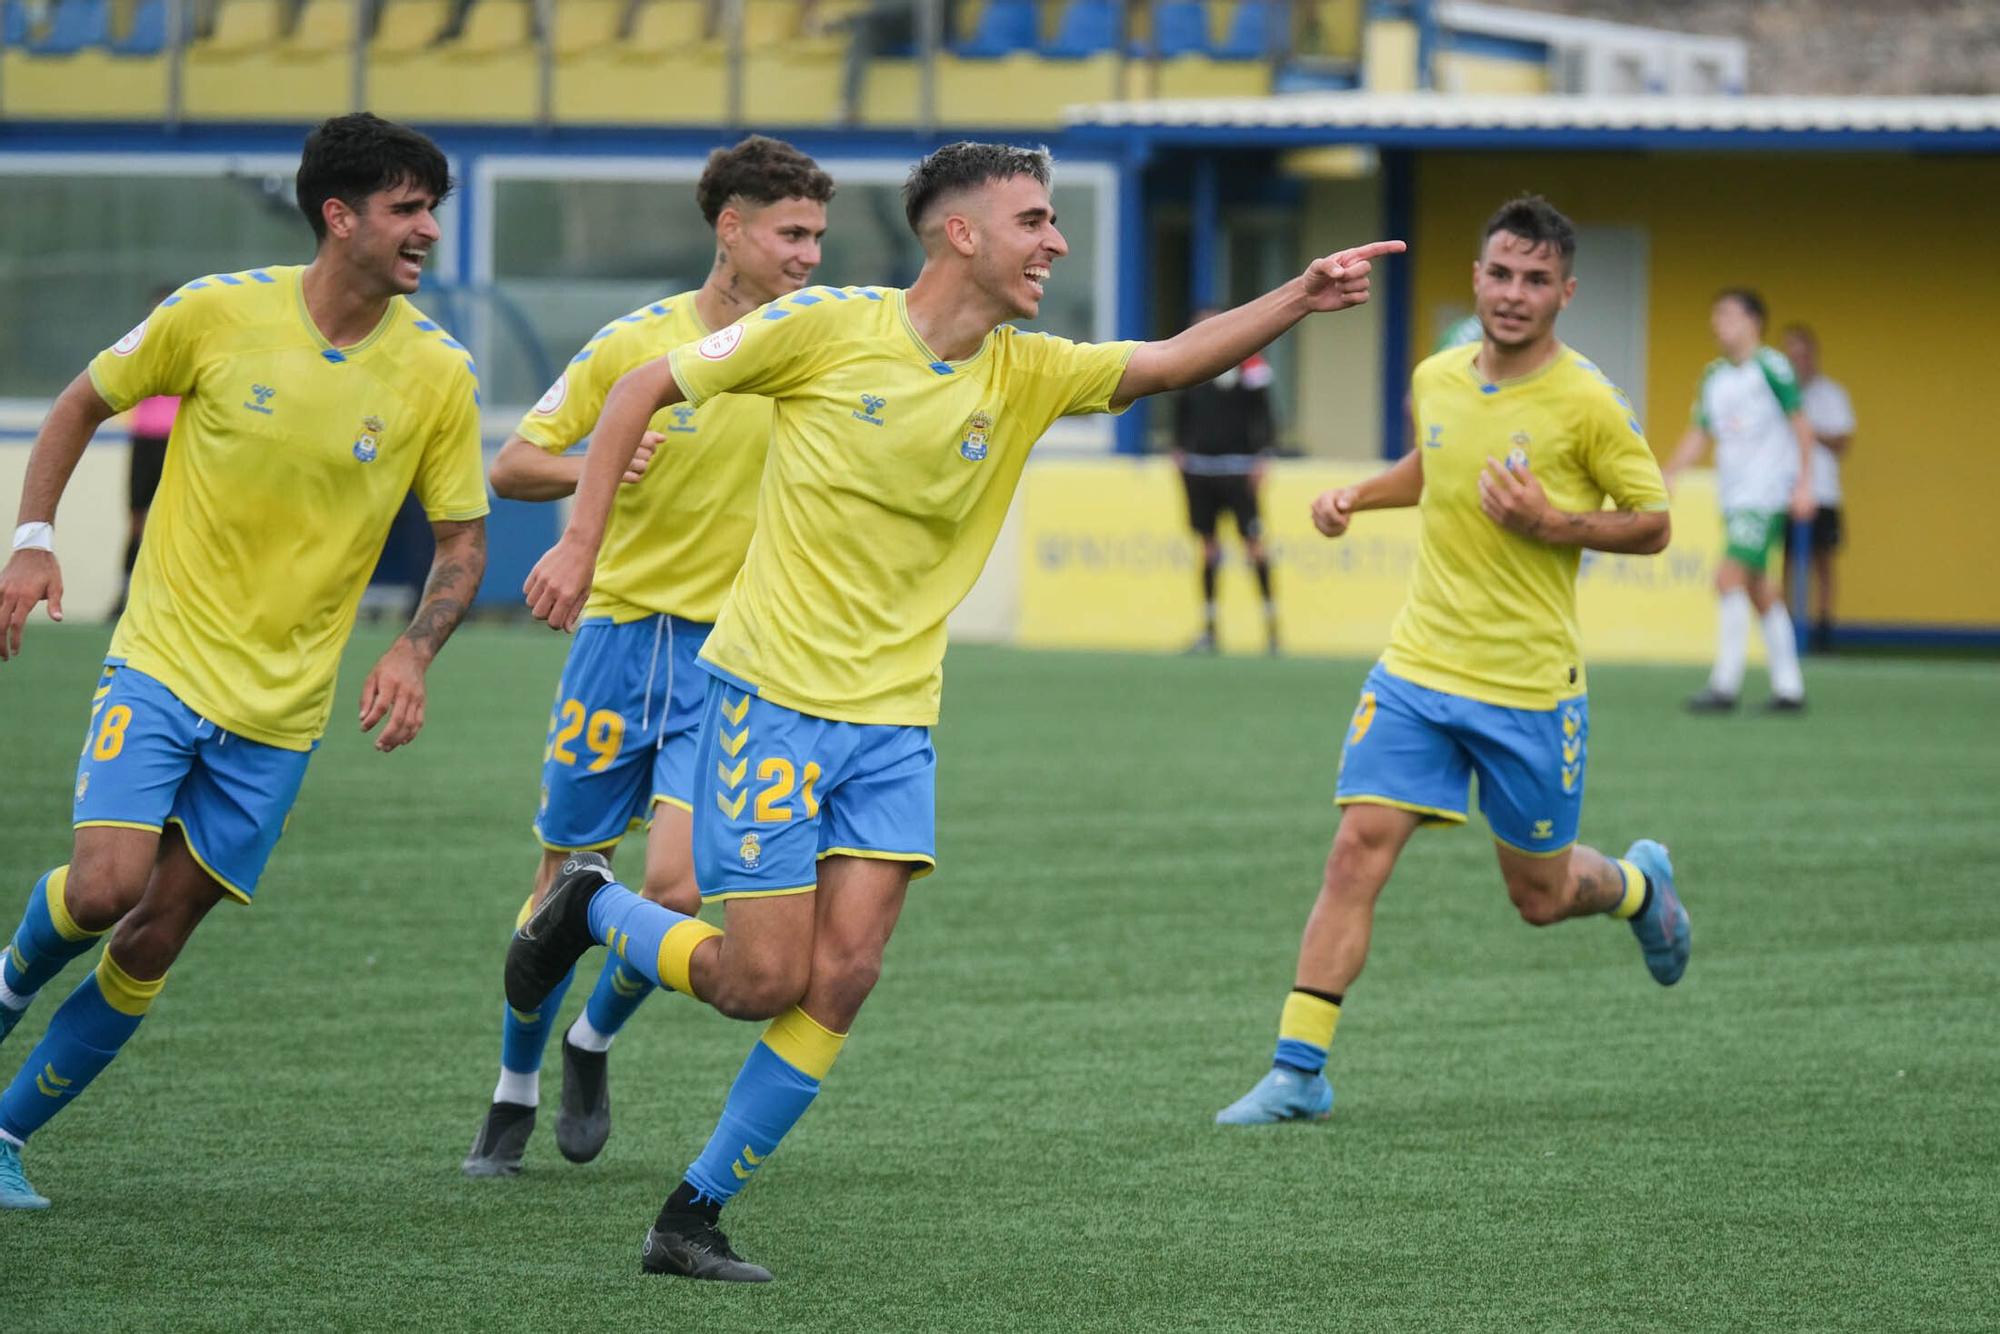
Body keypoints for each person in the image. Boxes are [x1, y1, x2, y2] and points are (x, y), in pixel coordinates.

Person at [507, 141, 1401, 1282]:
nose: (1056, 243)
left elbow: (1172, 361)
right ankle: (590, 904)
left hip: (893, 724)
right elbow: (641, 387)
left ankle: (693, 1210)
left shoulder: (1027, 369)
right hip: (771, 698)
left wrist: (1299, 296)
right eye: (1034, 220)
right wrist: (580, 541)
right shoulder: (824, 326)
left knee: (848, 973)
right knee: (755, 980)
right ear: (960, 234)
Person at [0, 113, 487, 1210]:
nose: (427, 234)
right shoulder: (217, 312)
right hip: (164, 659)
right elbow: (82, 402)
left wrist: (414, 650)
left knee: (155, 930)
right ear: (339, 214)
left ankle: (5, 1131)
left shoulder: (436, 372)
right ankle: (8, 982)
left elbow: (462, 541)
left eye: (431, 212)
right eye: (408, 210)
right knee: (103, 884)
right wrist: (32, 541)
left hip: (282, 709)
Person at [1212, 195, 1688, 1128]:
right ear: (1476, 279)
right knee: (1355, 851)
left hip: (1525, 689)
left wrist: (1552, 523)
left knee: (1541, 899)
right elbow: (1435, 465)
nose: (1515, 294)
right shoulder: (1437, 376)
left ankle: (1637, 887)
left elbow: (1655, 522)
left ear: (1565, 293)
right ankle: (1298, 1071)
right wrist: (1359, 493)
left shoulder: (1588, 403)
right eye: (1501, 274)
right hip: (1418, 670)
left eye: (1536, 280)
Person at [460, 135, 834, 1179]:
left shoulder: (815, 343)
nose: (808, 255)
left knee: (670, 892)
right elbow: (515, 462)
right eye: (790, 232)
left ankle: (593, 1040)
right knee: (558, 879)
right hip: (621, 642)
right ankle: (513, 1086)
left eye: (816, 235)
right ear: (731, 228)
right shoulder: (639, 343)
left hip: (732, 656)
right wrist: (600, 465)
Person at [1667, 289, 1816, 713]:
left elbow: (1802, 426)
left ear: (1753, 322)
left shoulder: (1770, 367)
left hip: (1764, 493)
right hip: (1733, 496)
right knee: (1760, 588)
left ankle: (1724, 685)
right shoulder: (1714, 375)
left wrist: (1804, 484)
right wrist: (1670, 470)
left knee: (1726, 578)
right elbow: (1700, 432)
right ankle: (1790, 688)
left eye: (1728, 314)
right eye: (1716, 315)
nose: (1719, 323)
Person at [1172, 309, 1279, 654]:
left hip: (1238, 467)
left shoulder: (1247, 362)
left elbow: (1264, 410)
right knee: (1208, 548)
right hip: (1200, 468)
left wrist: (1263, 453)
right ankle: (1209, 627)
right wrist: (1178, 450)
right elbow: (1179, 407)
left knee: (1253, 543)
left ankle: (1271, 627)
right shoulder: (1185, 361)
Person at [1779, 323, 1855, 652]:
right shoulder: (1775, 396)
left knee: (1823, 562)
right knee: (1782, 562)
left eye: (1802, 354)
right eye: (1790, 355)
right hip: (1782, 492)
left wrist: (1807, 429)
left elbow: (1842, 441)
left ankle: (1823, 627)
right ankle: (1782, 629)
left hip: (1822, 492)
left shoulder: (1831, 394)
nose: (1797, 361)